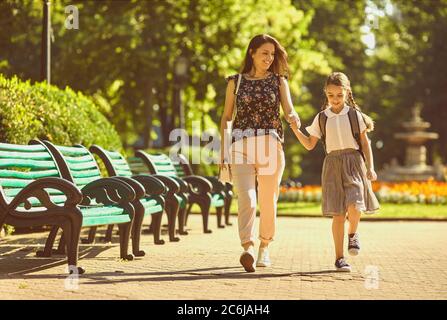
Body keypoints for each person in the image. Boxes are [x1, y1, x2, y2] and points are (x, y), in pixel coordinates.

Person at [220, 34, 300, 273]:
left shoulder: (279, 81)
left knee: (267, 199)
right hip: (240, 146)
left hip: (269, 146)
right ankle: (248, 247)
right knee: (246, 198)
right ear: (252, 53)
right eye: (264, 53)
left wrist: (293, 118)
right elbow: (226, 117)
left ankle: (265, 245)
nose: (269, 58)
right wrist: (224, 150)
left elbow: (289, 110)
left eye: (272, 54)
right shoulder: (236, 82)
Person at [290, 72, 380, 272]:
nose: (335, 99)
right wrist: (296, 129)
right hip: (332, 165)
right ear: (326, 94)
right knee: (338, 215)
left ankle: (353, 234)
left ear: (347, 93)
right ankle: (339, 258)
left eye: (339, 95)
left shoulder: (355, 115)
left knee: (356, 203)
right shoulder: (322, 118)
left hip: (354, 162)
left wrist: (371, 167)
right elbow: (309, 144)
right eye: (331, 95)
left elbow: (365, 144)